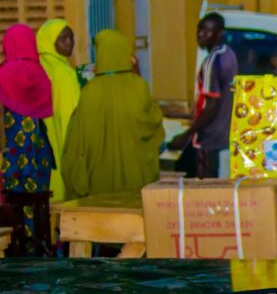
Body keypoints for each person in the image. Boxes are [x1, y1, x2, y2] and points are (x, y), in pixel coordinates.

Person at [62, 30, 164, 200]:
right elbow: (153, 122)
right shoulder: (139, 86)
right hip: (136, 175)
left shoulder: (89, 91)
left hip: (98, 179)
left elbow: (77, 138)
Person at [0, 24, 55, 254]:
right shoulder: (41, 74)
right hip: (38, 155)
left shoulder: (3, 74)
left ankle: (17, 250)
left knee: (13, 206)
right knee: (37, 204)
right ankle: (38, 248)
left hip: (12, 154)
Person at [170, 13, 238, 178]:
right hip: (224, 136)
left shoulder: (211, 61)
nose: (201, 34)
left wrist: (187, 135)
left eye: (207, 31)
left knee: (204, 188)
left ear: (219, 33)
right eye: (199, 29)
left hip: (209, 138)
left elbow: (212, 106)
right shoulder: (229, 54)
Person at [36, 19, 80, 202]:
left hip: (43, 141)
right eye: (63, 38)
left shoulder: (38, 66)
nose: (69, 42)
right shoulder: (64, 72)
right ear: (50, 41)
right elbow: (72, 113)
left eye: (71, 37)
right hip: (63, 136)